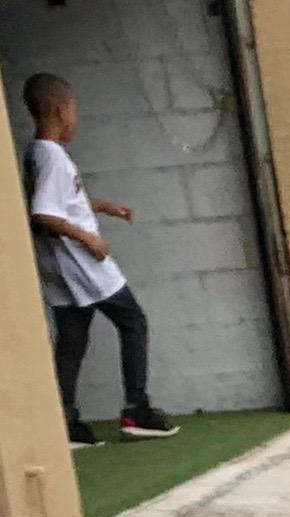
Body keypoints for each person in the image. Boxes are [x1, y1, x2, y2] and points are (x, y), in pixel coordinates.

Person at [22, 73, 175, 444]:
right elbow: (43, 214)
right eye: (74, 111)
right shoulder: (53, 156)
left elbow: (62, 203)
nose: (75, 119)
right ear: (61, 110)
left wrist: (101, 207)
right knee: (133, 321)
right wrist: (88, 238)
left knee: (72, 339)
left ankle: (66, 421)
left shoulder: (37, 153)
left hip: (56, 265)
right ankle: (136, 410)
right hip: (78, 261)